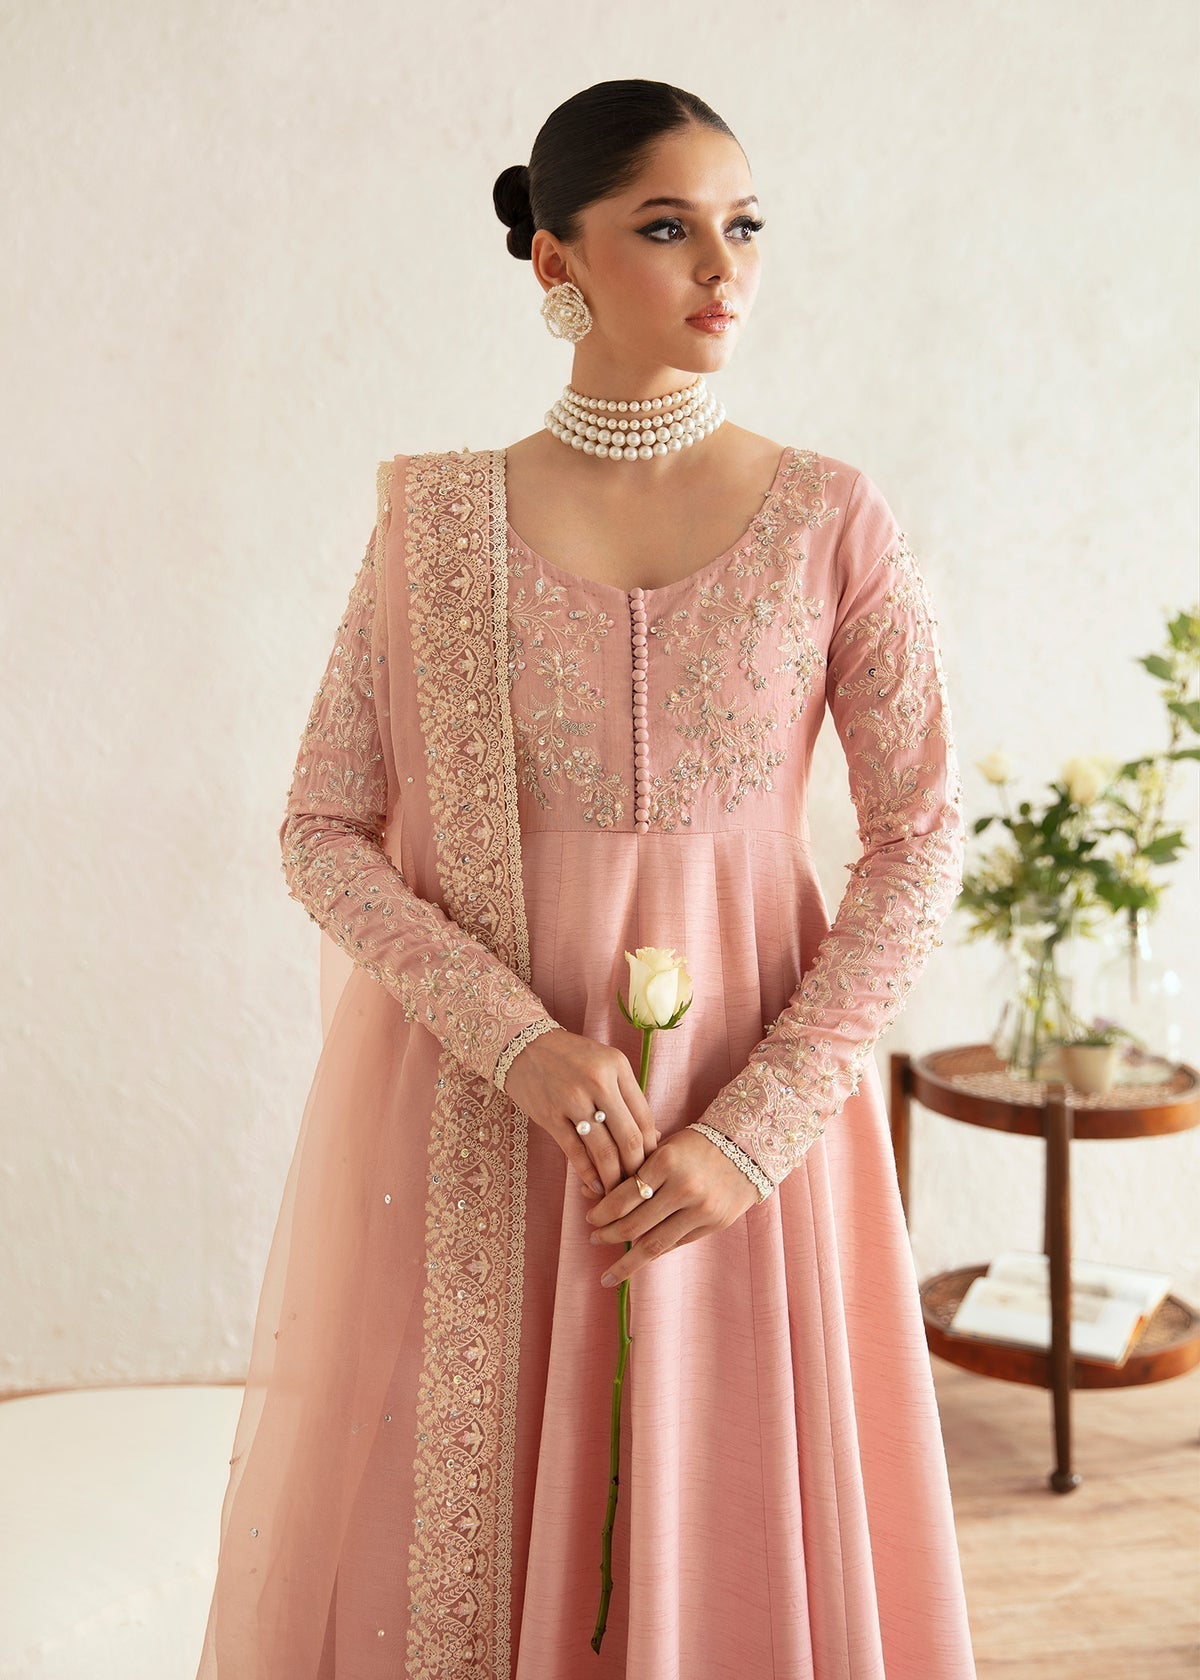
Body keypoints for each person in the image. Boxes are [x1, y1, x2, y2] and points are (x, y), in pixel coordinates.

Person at [196, 77, 978, 1679]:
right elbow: (323, 828)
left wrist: (755, 1134)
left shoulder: (832, 517)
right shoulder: (435, 524)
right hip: (488, 1114)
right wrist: (518, 1042)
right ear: (556, 260)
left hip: (743, 1118)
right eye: (668, 228)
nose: (724, 266)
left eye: (744, 225)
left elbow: (920, 840)